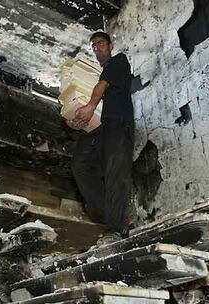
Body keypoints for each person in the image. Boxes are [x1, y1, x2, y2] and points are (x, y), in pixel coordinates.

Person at [67, 31, 134, 239]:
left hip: (118, 123)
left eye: (101, 43)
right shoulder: (97, 75)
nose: (97, 48)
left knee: (115, 172)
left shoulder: (119, 62)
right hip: (101, 127)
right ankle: (118, 215)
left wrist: (89, 107)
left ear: (111, 46)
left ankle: (115, 229)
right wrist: (76, 118)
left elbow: (102, 85)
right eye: (94, 46)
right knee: (79, 165)